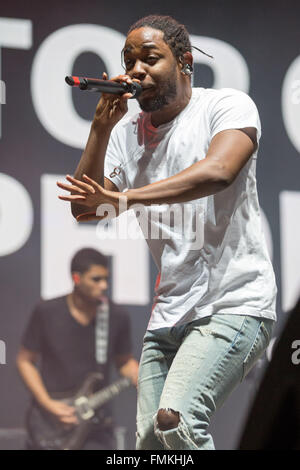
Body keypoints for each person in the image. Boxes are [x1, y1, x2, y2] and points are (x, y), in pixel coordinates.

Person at [56, 14, 277, 450]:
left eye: (150, 58)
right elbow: (87, 209)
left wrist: (130, 199)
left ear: (185, 61)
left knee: (175, 422)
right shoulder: (125, 132)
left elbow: (219, 171)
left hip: (234, 302)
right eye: (129, 60)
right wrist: (101, 127)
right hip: (169, 314)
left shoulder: (226, 106)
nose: (136, 70)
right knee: (149, 444)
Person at [17, 247, 139, 450]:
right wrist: (47, 403)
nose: (104, 285)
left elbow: (124, 362)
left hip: (96, 425)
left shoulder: (117, 315)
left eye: (106, 279)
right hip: (49, 421)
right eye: (96, 279)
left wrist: (141, 375)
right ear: (76, 278)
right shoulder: (47, 311)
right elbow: (25, 361)